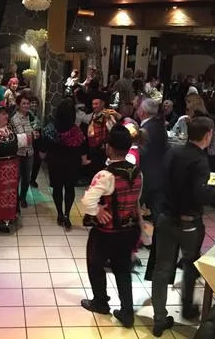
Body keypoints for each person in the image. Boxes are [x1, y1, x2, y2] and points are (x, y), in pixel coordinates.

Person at [151, 117, 215, 337]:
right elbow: (202, 195)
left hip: (165, 218)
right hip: (188, 223)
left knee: (161, 269)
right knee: (191, 264)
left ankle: (159, 319)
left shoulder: (173, 151)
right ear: (208, 134)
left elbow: (163, 181)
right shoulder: (200, 161)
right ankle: (187, 308)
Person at [80, 125, 144, 328]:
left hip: (106, 232)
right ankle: (127, 312)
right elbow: (136, 200)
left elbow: (87, 201)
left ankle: (100, 302)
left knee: (95, 264)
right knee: (123, 270)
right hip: (129, 229)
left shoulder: (105, 175)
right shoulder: (137, 172)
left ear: (109, 147)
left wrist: (98, 210)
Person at [0, 105, 32, 232]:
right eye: (3, 114)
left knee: (10, 194)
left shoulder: (10, 128)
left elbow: (18, 142)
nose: (6, 116)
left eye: (6, 114)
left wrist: (29, 138)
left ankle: (8, 217)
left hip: (11, 171)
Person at [43, 99, 87, 229]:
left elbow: (44, 149)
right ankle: (67, 215)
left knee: (57, 189)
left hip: (55, 163)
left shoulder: (50, 129)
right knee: (69, 188)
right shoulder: (76, 131)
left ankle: (59, 214)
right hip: (72, 164)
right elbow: (82, 148)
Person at [11, 94, 40, 210]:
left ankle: (22, 198)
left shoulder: (29, 116)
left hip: (29, 152)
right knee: (16, 178)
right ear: (18, 105)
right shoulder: (16, 118)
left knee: (27, 178)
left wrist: (33, 134)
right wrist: (33, 135)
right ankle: (15, 199)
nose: (27, 106)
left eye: (28, 103)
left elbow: (29, 134)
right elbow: (21, 136)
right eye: (24, 103)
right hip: (19, 153)